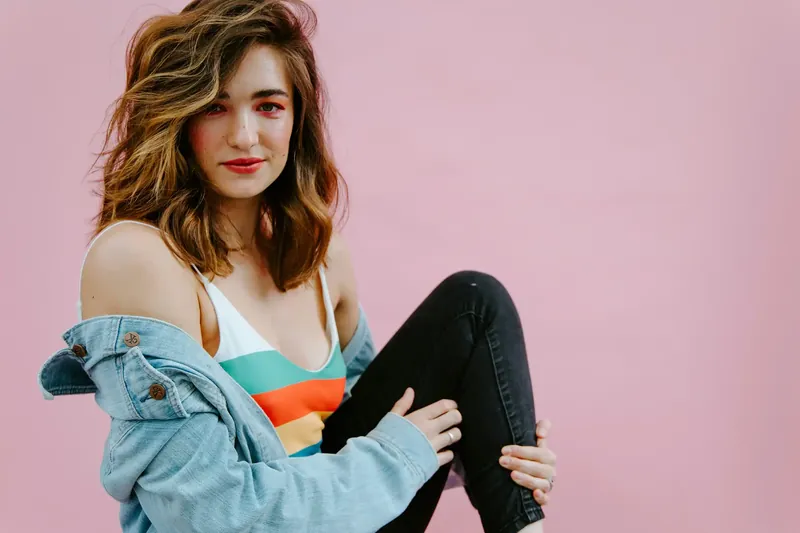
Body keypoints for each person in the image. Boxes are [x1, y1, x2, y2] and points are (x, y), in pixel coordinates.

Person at [37, 1, 558, 531]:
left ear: (297, 117)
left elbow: (380, 438)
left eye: (268, 106)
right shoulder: (140, 260)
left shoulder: (322, 257)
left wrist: (487, 451)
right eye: (214, 107)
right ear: (176, 115)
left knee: (472, 303)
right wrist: (402, 457)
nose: (244, 136)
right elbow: (206, 511)